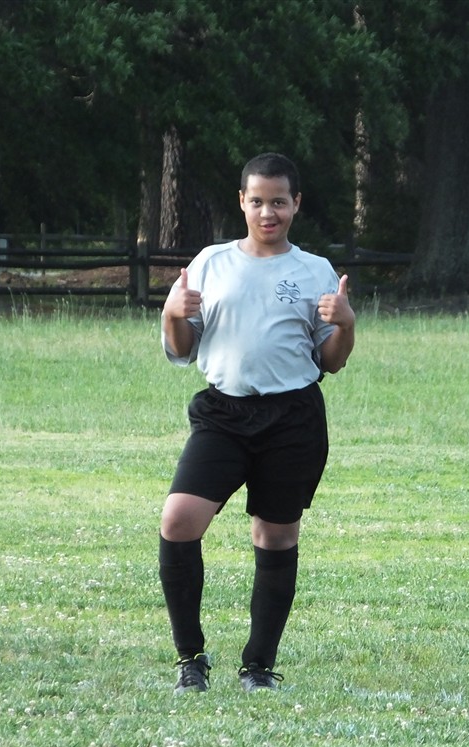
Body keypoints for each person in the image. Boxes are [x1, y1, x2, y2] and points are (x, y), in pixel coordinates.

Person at [159, 152, 356, 694]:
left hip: (292, 418)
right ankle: (190, 660)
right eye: (258, 201)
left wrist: (346, 324)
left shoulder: (314, 270)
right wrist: (174, 313)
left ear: (296, 204)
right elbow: (182, 348)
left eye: (279, 202)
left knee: (275, 534)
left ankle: (259, 667)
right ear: (242, 203)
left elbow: (332, 360)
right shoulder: (211, 262)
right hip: (223, 415)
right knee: (179, 520)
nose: (268, 212)